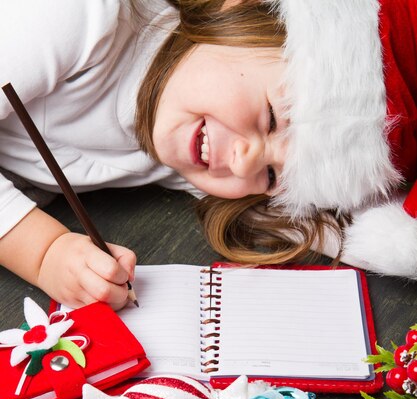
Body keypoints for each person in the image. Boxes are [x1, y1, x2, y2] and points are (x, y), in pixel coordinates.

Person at [0, 0, 416, 312]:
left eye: (272, 176)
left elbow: (348, 224)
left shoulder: (202, 130)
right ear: (233, 13)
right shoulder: (82, 19)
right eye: (270, 117)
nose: (241, 163)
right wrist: (44, 252)